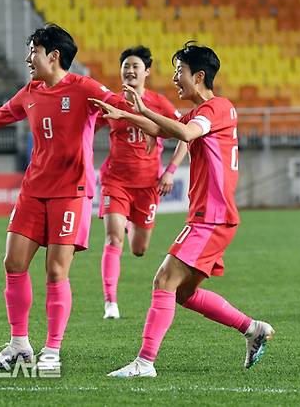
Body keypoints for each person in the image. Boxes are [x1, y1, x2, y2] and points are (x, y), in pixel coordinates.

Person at [0, 24, 125, 371]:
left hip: (72, 192)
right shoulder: (30, 92)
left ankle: (52, 350)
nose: (27, 58)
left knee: (55, 271)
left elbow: (123, 108)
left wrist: (157, 121)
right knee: (13, 263)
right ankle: (19, 344)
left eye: (32, 51)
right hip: (33, 190)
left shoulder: (84, 88)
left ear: (53, 55)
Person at [90, 41, 274, 378]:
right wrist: (126, 114)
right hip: (211, 216)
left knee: (163, 280)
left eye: (180, 72)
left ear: (199, 75)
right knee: (184, 293)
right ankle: (253, 329)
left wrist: (142, 110)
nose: (176, 78)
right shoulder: (209, 110)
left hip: (211, 216)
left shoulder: (214, 109)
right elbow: (163, 129)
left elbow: (185, 133)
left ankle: (144, 363)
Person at [97, 46, 187, 320]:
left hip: (148, 185)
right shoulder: (112, 101)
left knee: (139, 249)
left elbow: (185, 136)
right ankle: (110, 301)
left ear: (146, 71)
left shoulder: (159, 104)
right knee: (113, 238)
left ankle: (126, 222)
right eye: (126, 66)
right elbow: (87, 125)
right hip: (115, 182)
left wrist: (170, 170)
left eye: (135, 66)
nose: (130, 70)